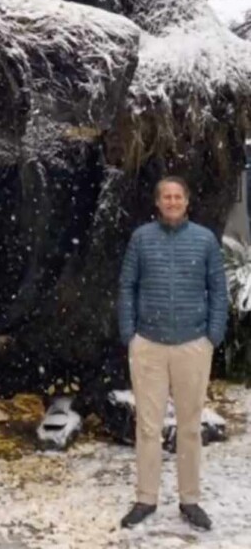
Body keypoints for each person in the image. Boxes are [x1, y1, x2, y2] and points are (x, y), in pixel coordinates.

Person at [118, 176, 228, 531]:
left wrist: (212, 335)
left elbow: (218, 291)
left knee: (190, 427)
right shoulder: (141, 239)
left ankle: (190, 500)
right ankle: (146, 498)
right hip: (148, 345)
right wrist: (129, 334)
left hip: (192, 345)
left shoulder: (205, 240)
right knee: (147, 427)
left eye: (177, 196)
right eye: (166, 196)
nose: (172, 201)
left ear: (187, 201)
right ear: (158, 202)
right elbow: (127, 287)